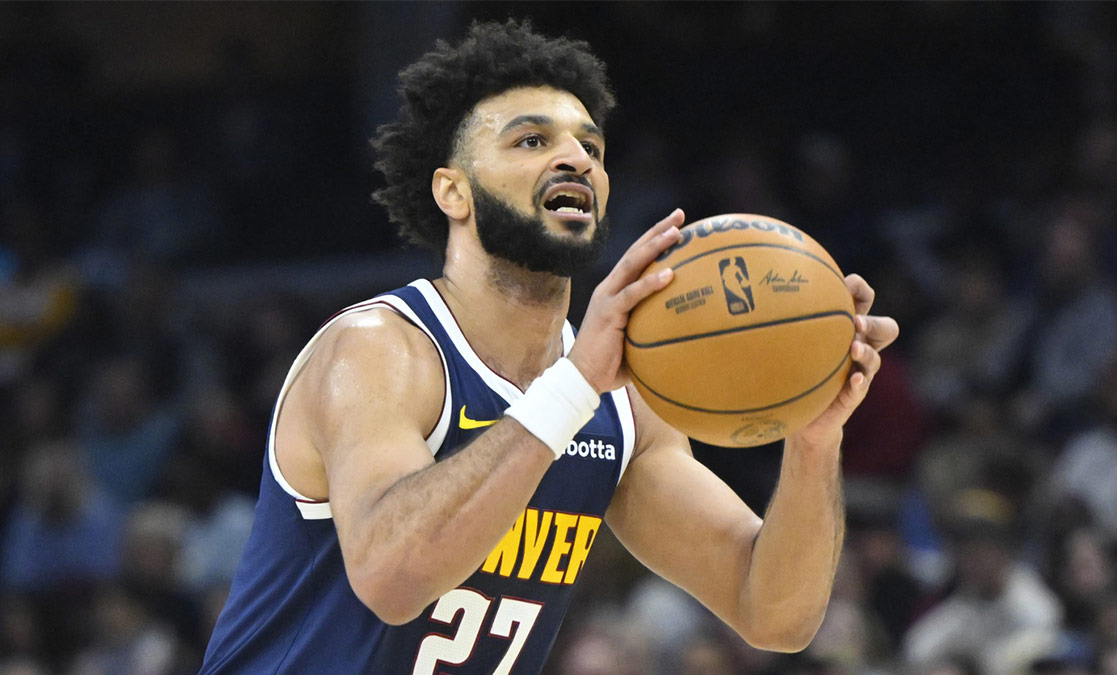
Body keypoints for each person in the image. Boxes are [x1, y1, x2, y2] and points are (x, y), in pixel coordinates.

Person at [199, 19, 898, 675]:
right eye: (531, 140)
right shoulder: (379, 351)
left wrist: (813, 439)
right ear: (453, 191)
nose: (575, 158)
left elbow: (772, 611)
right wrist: (572, 384)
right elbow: (392, 576)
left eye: (590, 147)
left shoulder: (618, 404)